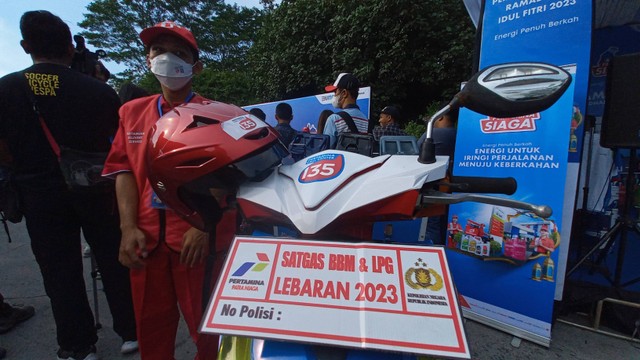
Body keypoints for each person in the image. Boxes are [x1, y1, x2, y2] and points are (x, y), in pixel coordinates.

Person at [0, 11, 137, 360]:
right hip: (96, 188)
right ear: (69, 46)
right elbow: (117, 145)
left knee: (59, 271)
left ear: (25, 45)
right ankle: (131, 330)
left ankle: (78, 345)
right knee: (113, 259)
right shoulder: (98, 90)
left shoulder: (7, 88)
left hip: (38, 194)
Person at [102, 21, 231, 359]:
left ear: (196, 66)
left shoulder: (215, 115)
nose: (166, 58)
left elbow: (228, 179)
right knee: (151, 327)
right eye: (158, 51)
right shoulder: (131, 113)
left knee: (206, 330)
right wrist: (127, 228)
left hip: (194, 241)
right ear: (147, 59)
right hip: (144, 241)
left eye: (179, 53)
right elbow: (124, 170)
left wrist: (202, 226)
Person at [323, 73, 368, 148]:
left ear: (344, 93)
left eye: (335, 92)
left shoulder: (334, 119)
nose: (334, 96)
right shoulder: (366, 121)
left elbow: (326, 152)